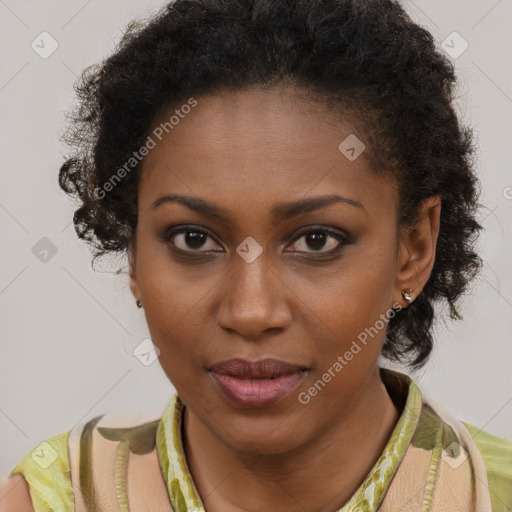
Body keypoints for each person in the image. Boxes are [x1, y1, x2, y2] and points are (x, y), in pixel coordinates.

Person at [1, 0, 511, 510]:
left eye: (317, 241)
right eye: (193, 239)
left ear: (414, 250)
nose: (250, 312)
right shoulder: (58, 498)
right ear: (133, 252)